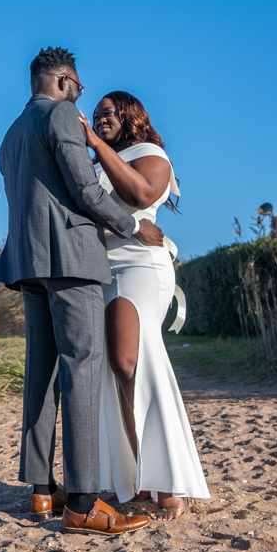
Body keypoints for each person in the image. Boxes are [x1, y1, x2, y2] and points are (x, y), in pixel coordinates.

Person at [0, 47, 163, 536]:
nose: (81, 95)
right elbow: (85, 191)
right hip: (71, 260)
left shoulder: (9, 134)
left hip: (28, 263)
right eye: (80, 87)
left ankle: (43, 490)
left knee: (40, 374)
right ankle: (85, 501)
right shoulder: (62, 115)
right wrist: (133, 226)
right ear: (64, 81)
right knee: (81, 370)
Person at [77, 91, 211, 521]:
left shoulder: (149, 152)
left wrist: (96, 147)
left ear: (130, 116)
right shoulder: (95, 165)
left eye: (108, 114)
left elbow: (140, 195)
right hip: (103, 267)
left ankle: (169, 483)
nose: (100, 120)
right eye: (96, 116)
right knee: (117, 372)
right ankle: (141, 479)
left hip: (140, 264)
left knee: (134, 362)